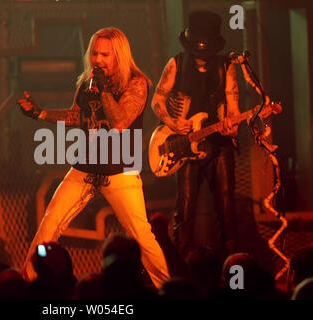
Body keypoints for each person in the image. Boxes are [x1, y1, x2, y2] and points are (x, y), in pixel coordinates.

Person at [17, 27, 170, 289]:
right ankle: (28, 282)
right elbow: (77, 117)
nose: (98, 60)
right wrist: (41, 114)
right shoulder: (87, 82)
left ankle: (168, 288)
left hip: (119, 171)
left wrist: (103, 90)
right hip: (85, 167)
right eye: (95, 53)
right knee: (50, 222)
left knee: (141, 235)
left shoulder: (136, 82)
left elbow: (120, 122)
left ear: (119, 56)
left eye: (105, 55)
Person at [151, 11, 240, 259]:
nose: (202, 59)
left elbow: (233, 111)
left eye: (206, 53)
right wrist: (172, 122)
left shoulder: (226, 67)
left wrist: (231, 126)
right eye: (198, 53)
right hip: (187, 145)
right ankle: (181, 265)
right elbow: (157, 100)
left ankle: (231, 267)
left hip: (219, 144)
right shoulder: (176, 63)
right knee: (185, 209)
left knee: (226, 208)